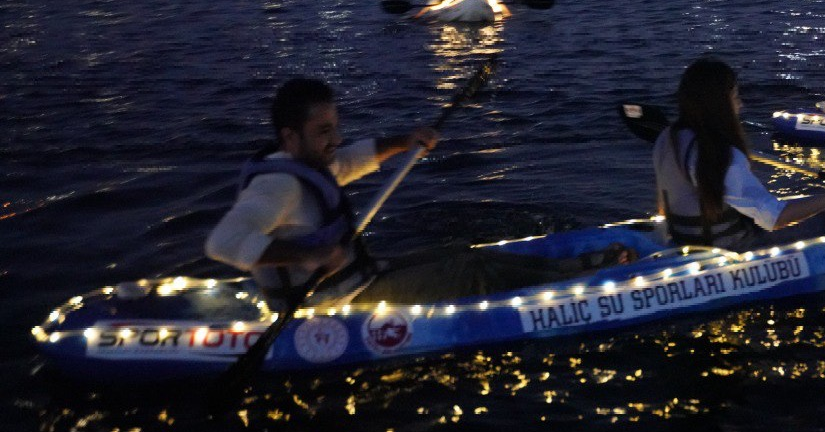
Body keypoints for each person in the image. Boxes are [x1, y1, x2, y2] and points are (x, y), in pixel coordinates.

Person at [205, 78, 630, 311]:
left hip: (355, 279)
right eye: (323, 131)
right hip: (327, 303)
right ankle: (584, 281)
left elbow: (352, 159)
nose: (335, 139)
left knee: (461, 251)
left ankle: (572, 268)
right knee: (466, 272)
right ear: (289, 136)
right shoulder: (276, 185)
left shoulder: (306, 162)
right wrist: (307, 257)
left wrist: (405, 140)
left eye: (335, 127)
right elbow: (222, 243)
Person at [653, 57, 825, 251]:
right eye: (735, 97)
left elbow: (663, 208)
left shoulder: (667, 138)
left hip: (685, 241)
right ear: (718, 104)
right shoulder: (721, 155)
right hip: (730, 247)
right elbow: (774, 218)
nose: (740, 105)